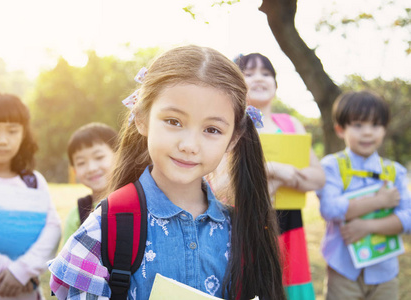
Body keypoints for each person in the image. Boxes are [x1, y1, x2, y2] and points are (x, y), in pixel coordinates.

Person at [48, 45, 285, 300]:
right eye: (174, 121)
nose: (189, 145)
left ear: (233, 139)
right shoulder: (107, 226)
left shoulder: (241, 230)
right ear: (141, 118)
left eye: (212, 129)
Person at [209, 53, 325, 300]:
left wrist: (283, 172)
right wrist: (266, 172)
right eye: (249, 74)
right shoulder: (228, 126)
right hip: (242, 226)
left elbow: (318, 178)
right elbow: (216, 186)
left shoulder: (291, 123)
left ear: (275, 82)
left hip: (289, 227)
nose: (259, 79)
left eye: (266, 73)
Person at [0, 92, 62, 299]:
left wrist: (22, 272)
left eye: (12, 131)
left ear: (23, 134)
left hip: (26, 293)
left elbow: (52, 229)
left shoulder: (33, 181)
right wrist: (5, 272)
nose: (3, 140)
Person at [316, 90, 411, 300]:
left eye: (375, 125)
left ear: (384, 129)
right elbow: (329, 209)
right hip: (343, 270)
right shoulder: (332, 166)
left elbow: (408, 218)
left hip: (385, 273)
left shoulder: (395, 171)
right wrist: (378, 201)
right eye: (358, 125)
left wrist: (367, 227)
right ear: (340, 129)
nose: (368, 132)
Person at [63, 122, 118, 245]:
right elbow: (65, 261)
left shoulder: (140, 202)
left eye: (99, 157)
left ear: (120, 156)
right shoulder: (76, 215)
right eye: (81, 162)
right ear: (74, 171)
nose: (91, 168)